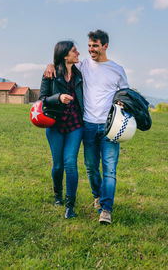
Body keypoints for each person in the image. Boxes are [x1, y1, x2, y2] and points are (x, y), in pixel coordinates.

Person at [45, 30, 129, 224]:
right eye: (89, 46)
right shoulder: (82, 66)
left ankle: (106, 209)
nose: (90, 50)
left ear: (105, 46)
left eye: (95, 46)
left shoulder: (117, 69)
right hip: (88, 125)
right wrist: (50, 65)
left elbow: (125, 93)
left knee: (109, 169)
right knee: (91, 168)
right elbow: (63, 63)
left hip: (110, 127)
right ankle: (97, 196)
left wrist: (123, 104)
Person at [39, 41, 84, 219]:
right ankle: (58, 195)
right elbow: (42, 99)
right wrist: (58, 97)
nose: (78, 53)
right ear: (65, 55)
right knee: (58, 165)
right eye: (74, 51)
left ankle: (69, 206)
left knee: (70, 163)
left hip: (75, 124)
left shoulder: (80, 74)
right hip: (55, 125)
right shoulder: (50, 73)